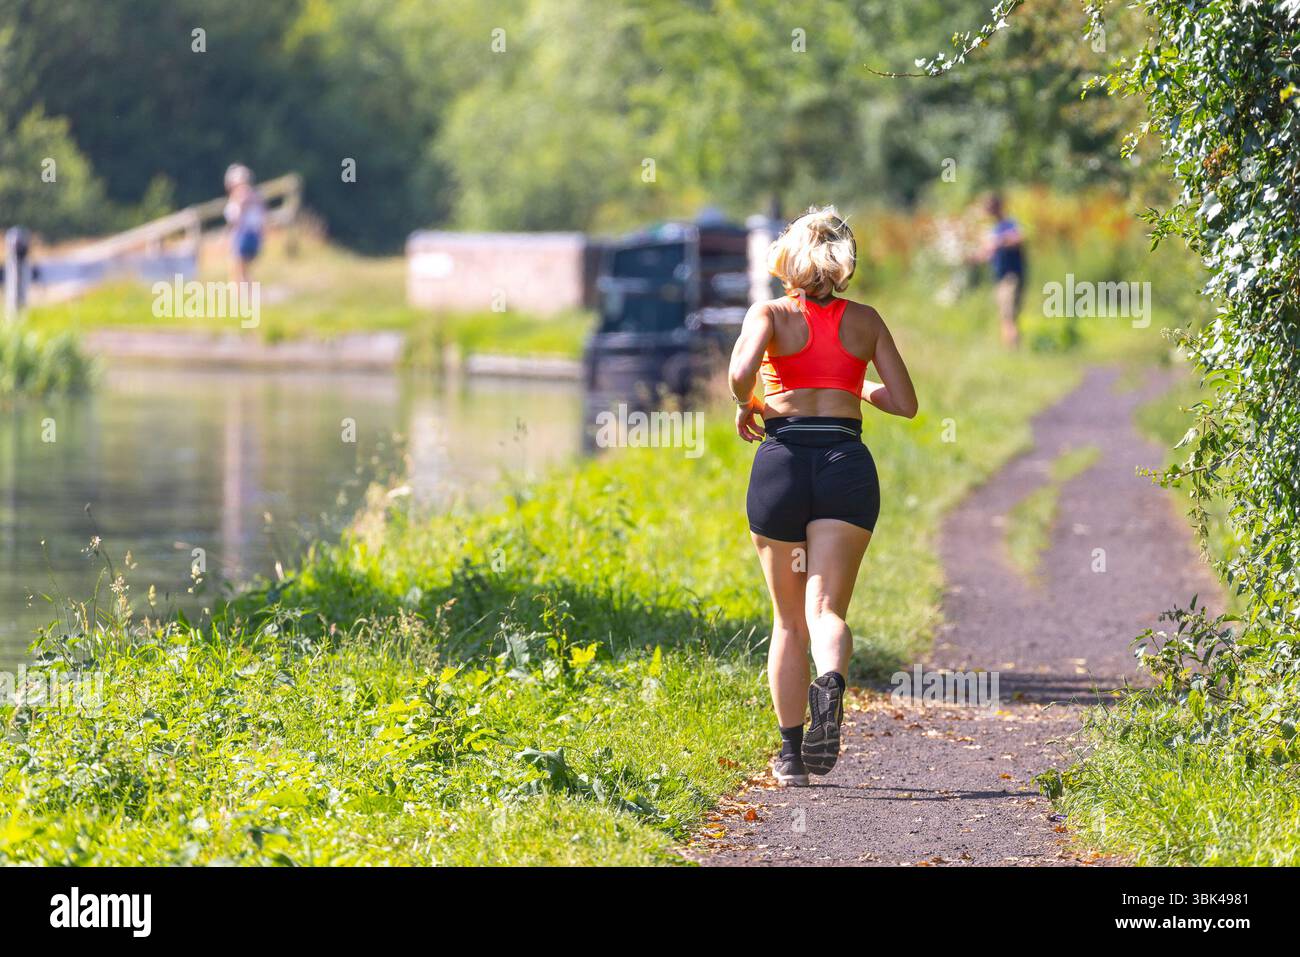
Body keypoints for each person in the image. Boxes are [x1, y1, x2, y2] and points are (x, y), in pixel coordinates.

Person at [728, 206, 918, 787]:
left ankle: (790, 758)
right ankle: (830, 682)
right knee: (826, 612)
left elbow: (739, 376)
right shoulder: (866, 321)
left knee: (788, 621)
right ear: (843, 262)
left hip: (784, 464)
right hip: (844, 464)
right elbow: (906, 403)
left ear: (788, 258)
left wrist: (750, 403)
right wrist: (854, 384)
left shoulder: (771, 313)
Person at [981, 193, 1025, 348]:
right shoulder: (993, 228)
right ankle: (1011, 350)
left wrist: (999, 242)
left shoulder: (1009, 224)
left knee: (1009, 316)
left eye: (988, 207)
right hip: (999, 277)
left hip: (1010, 277)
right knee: (1005, 316)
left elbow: (1019, 239)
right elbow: (988, 254)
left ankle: (1013, 351)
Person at [223, 164, 266, 284]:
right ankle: (245, 291)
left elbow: (237, 218)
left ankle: (242, 292)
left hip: (244, 234)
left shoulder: (244, 196)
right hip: (249, 233)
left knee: (238, 267)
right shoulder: (254, 196)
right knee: (242, 269)